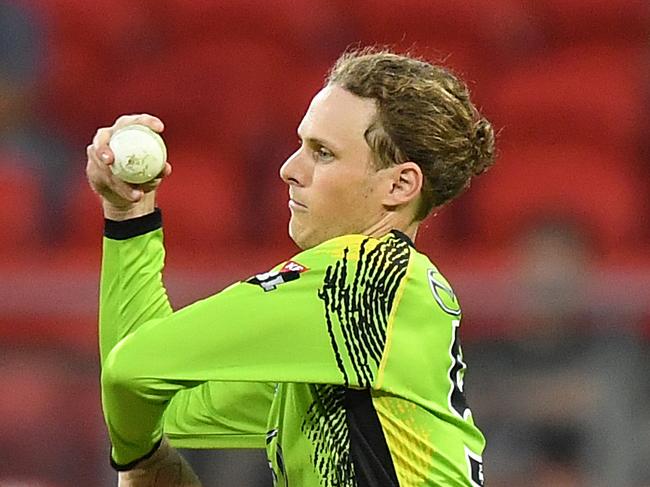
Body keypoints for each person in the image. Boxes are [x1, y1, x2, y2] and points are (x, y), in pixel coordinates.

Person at [86, 48, 496, 486]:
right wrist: (129, 215)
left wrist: (142, 462)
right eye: (301, 145)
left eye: (322, 153)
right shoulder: (355, 331)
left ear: (398, 185)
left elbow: (132, 372)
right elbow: (153, 404)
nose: (288, 169)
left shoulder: (365, 280)